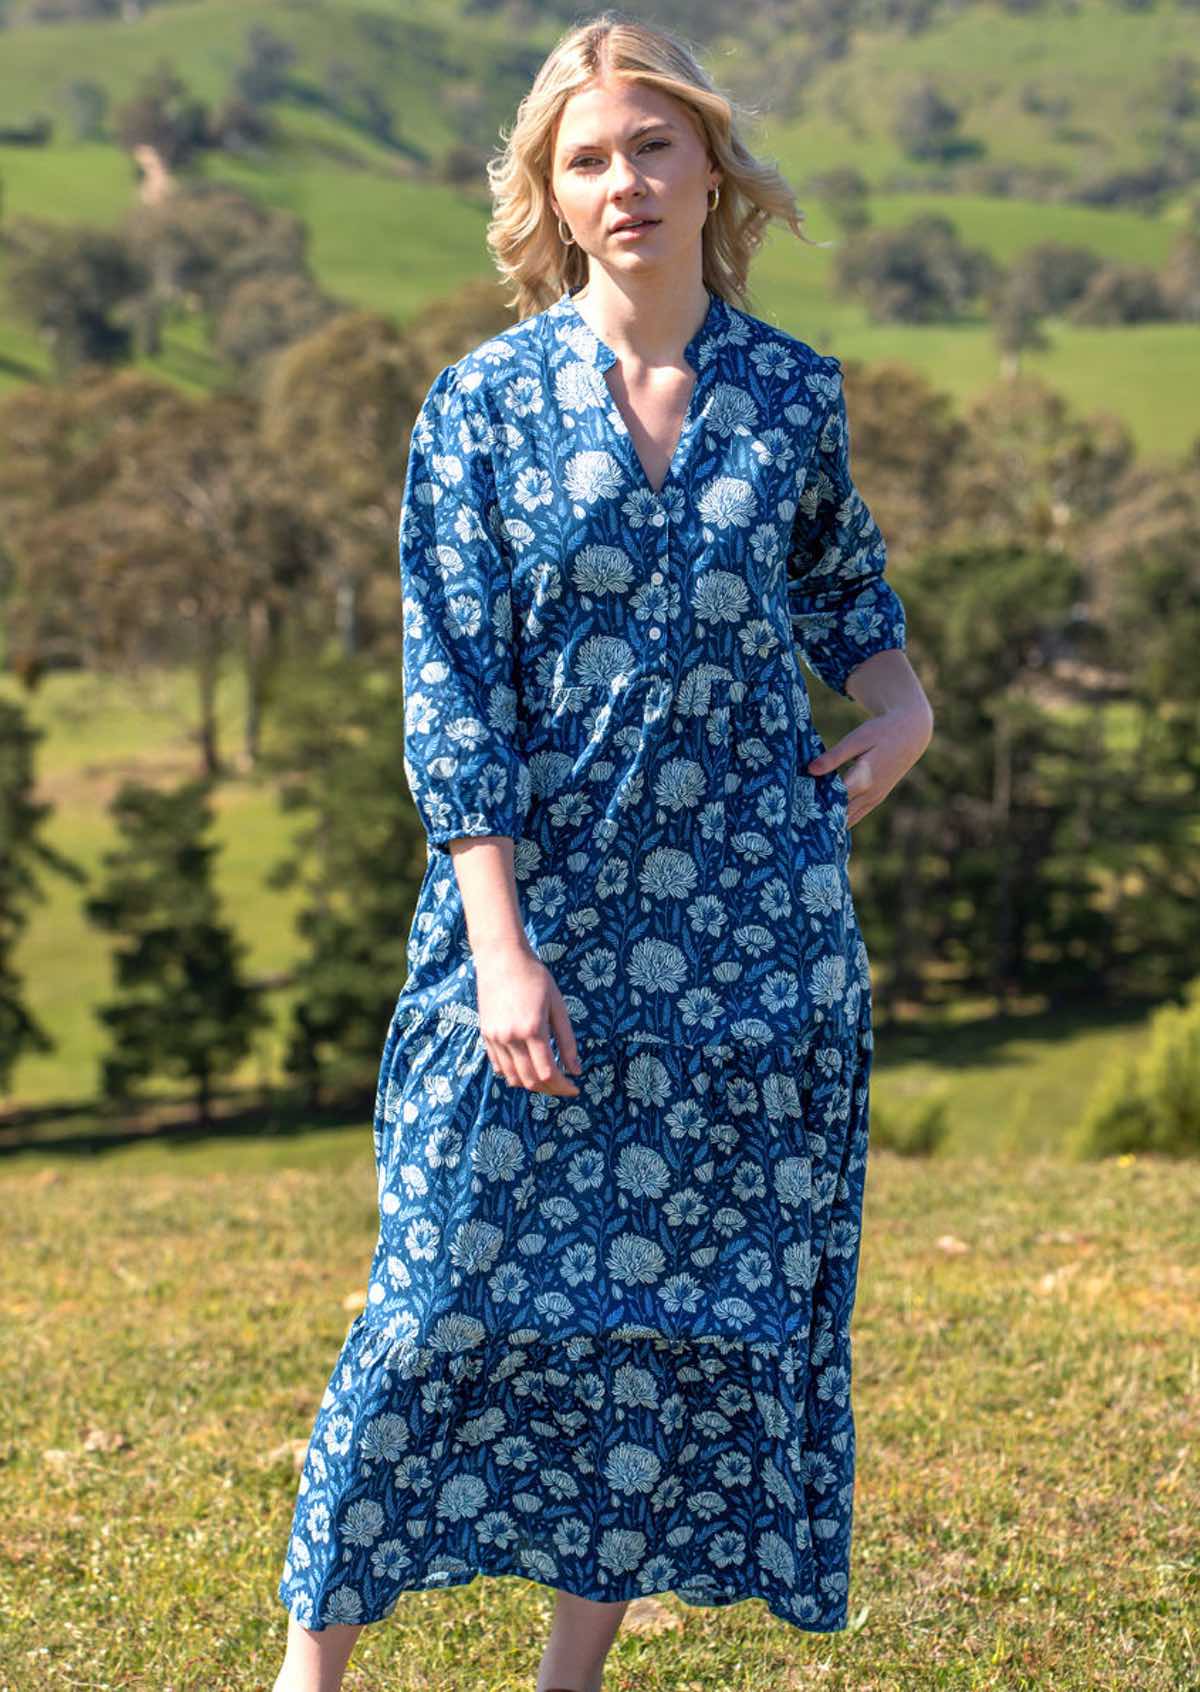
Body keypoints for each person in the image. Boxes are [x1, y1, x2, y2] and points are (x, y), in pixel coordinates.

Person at [272, 11, 934, 1692]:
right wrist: (498, 945)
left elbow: (852, 598)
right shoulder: (478, 414)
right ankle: (311, 1675)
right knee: (432, 1300)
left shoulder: (792, 397)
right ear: (549, 200)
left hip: (751, 942)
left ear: (711, 166)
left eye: (652, 144)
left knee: (671, 1325)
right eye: (587, 158)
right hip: (529, 930)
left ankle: (570, 1680)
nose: (624, 180)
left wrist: (904, 704)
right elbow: (452, 698)